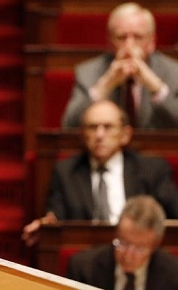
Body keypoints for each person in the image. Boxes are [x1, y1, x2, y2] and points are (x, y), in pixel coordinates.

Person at [22, 100, 178, 247]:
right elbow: (56, 216)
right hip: (87, 259)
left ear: (125, 134)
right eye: (92, 127)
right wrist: (48, 224)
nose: (99, 135)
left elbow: (173, 215)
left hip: (137, 251)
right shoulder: (66, 172)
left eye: (108, 127)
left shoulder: (152, 169)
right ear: (83, 134)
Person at [61, 2, 178, 129]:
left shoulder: (174, 73)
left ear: (152, 42)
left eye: (138, 37)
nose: (129, 46)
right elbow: (69, 126)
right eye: (121, 37)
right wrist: (105, 85)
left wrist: (156, 87)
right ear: (110, 42)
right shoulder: (88, 73)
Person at [67, 195, 178, 289]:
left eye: (139, 248)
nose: (128, 256)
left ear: (155, 245)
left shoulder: (174, 275)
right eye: (123, 243)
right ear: (116, 233)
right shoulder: (83, 269)